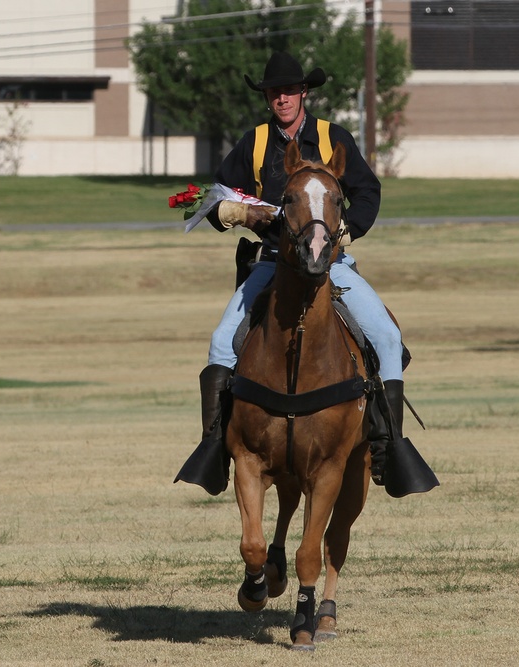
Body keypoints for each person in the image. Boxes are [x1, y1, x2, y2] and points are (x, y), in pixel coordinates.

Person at [175, 51, 407, 495]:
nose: (282, 98)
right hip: (272, 262)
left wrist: (347, 234)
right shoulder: (255, 142)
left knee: (387, 337)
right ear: (267, 97)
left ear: (304, 93)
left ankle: (389, 446)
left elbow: (367, 191)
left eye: (289, 90)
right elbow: (216, 198)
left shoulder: (332, 137)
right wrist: (233, 212)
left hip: (333, 264)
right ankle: (213, 448)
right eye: (273, 92)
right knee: (222, 341)